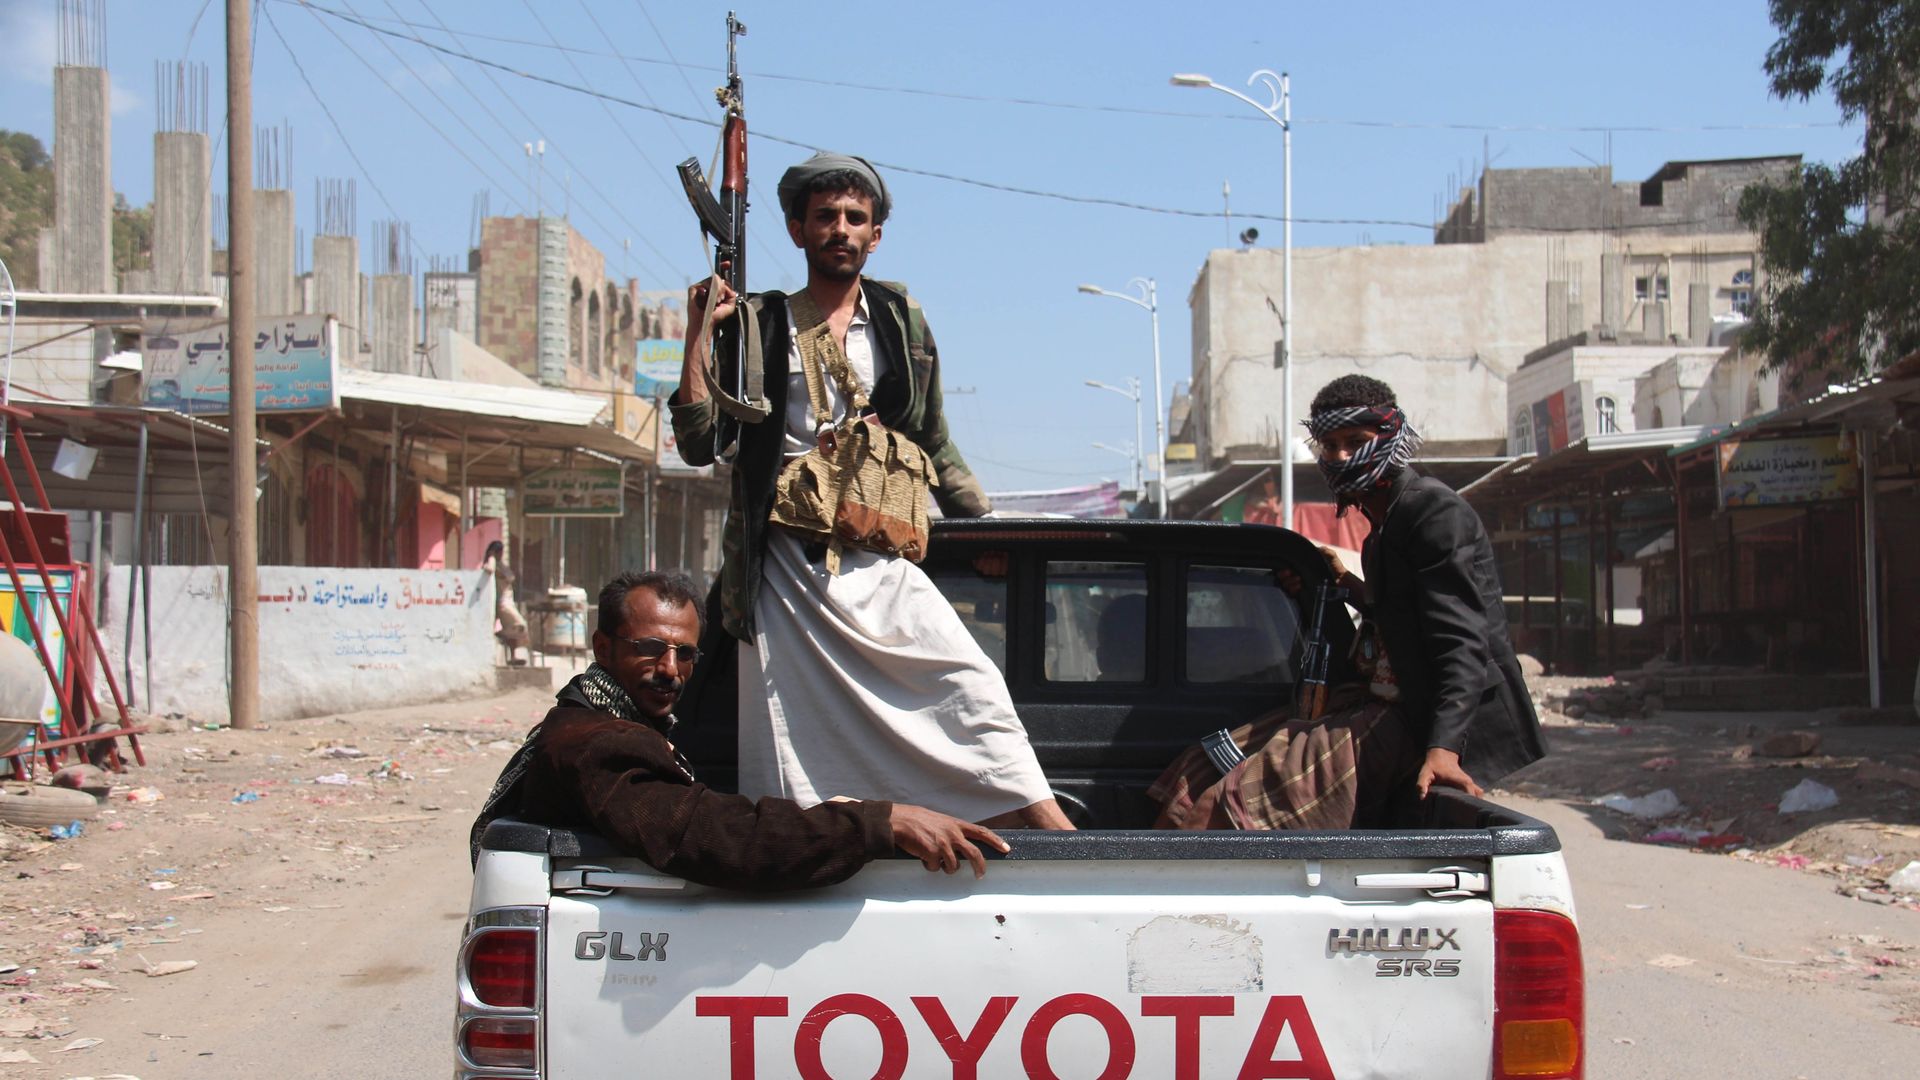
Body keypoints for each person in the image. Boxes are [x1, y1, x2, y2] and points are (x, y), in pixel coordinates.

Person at [672, 151, 1071, 830]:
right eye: (825, 216)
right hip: (787, 574)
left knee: (968, 687)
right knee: (800, 747)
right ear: (797, 230)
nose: (841, 229)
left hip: (882, 553)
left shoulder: (899, 317)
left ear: (875, 235)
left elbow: (934, 438)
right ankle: (841, 854)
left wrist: (986, 529)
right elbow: (698, 441)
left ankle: (1056, 838)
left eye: (855, 218)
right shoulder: (759, 322)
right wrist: (698, 333)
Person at [470, 570, 1009, 888]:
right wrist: (878, 822)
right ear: (603, 649)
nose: (670, 669)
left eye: (685, 654)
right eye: (650, 648)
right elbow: (715, 834)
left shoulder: (602, 719)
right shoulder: (600, 742)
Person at [1302, 374, 1546, 798]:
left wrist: (1444, 748)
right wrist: (1342, 581)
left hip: (1445, 721)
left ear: (1391, 436)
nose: (1341, 457)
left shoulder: (1431, 510)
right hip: (1403, 709)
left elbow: (1462, 641)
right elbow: (1398, 616)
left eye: (1356, 442)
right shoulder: (1381, 530)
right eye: (1330, 445)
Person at [480, 540, 529, 666]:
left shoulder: (500, 564)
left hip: (509, 601)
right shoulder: (493, 562)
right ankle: (499, 634)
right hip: (503, 603)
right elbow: (489, 569)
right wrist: (491, 556)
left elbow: (511, 576)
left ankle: (513, 656)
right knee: (520, 626)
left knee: (513, 630)